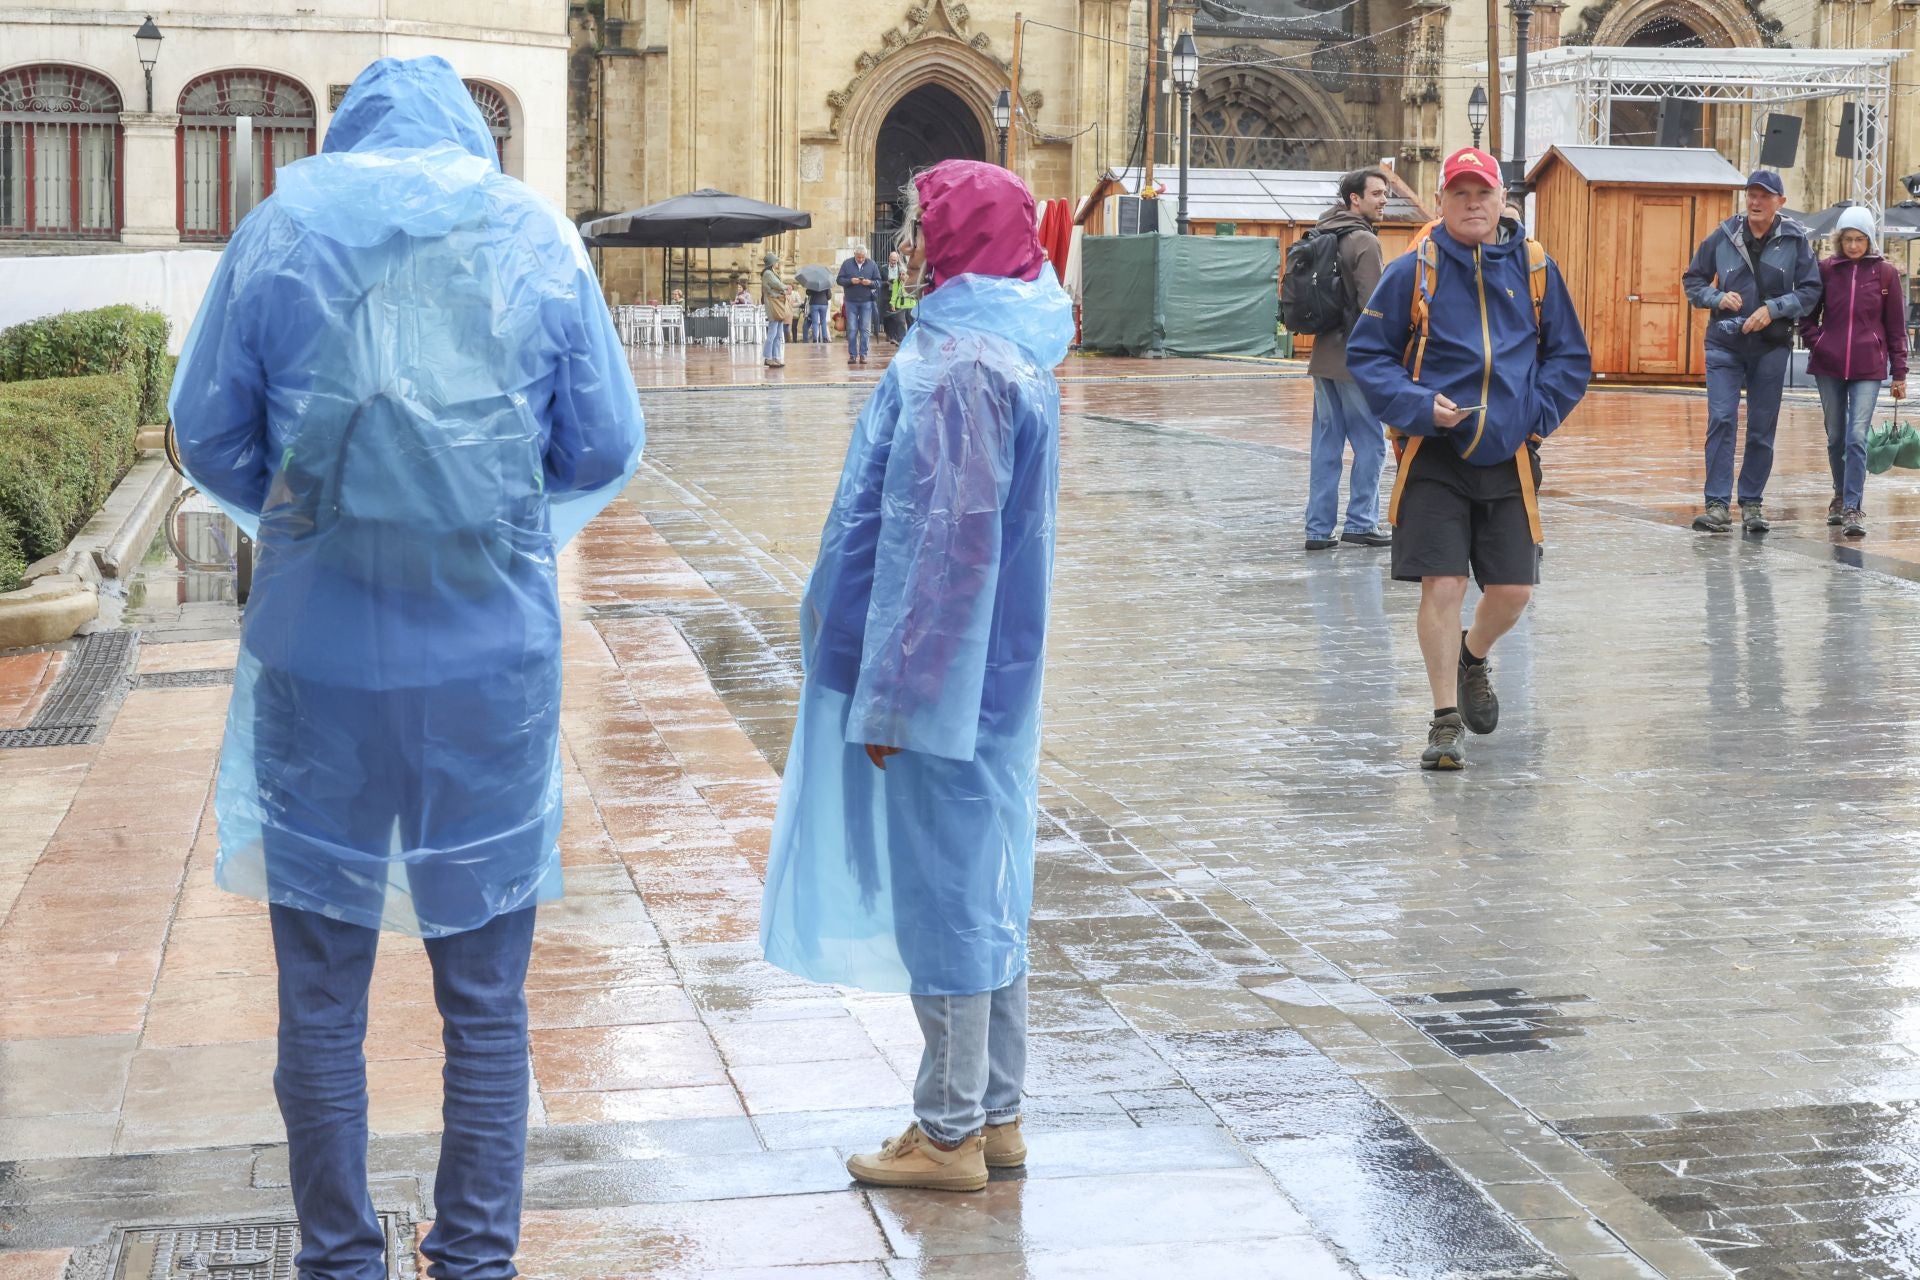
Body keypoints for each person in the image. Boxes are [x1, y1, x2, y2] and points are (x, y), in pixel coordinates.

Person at [170, 56, 644, 1279]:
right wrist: (493, 520)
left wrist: (305, 516)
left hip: (319, 662)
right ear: (468, 136)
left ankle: (339, 1253)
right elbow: (602, 440)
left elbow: (209, 431)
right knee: (484, 988)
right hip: (487, 665)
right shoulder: (531, 238)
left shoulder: (279, 232)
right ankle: (476, 1250)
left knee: (321, 986)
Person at [760, 158, 1075, 1192]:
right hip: (986, 675)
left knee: (948, 895)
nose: (906, 243)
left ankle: (946, 1132)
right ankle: (995, 1111)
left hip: (944, 681)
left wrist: (901, 695)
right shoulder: (1001, 346)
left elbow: (940, 551)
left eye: (916, 223)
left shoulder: (963, 367)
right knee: (987, 884)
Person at [1347, 147, 1590, 771]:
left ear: (1502, 199)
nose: (1473, 203)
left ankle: (1472, 655)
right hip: (1434, 453)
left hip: (1510, 456)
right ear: (1442, 200)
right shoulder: (1414, 269)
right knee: (1444, 582)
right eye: (1460, 193)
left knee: (1511, 593)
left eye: (1482, 192)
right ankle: (1443, 719)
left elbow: (1569, 358)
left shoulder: (1536, 268)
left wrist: (1533, 418)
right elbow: (1368, 355)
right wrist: (1421, 407)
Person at [1682, 170, 1821, 534]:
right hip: (1724, 344)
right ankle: (1715, 504)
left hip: (1770, 348)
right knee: (1722, 420)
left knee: (1761, 427)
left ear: (1780, 202)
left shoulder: (1795, 240)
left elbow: (1810, 291)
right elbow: (1693, 280)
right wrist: (1717, 296)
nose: (1756, 202)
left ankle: (1752, 503)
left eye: (1764, 196)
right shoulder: (1724, 235)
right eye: (1751, 195)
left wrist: (1772, 310)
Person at [1803, 207, 1909, 539]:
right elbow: (1806, 316)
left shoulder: (1886, 274)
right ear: (1839, 240)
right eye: (1847, 239)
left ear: (1869, 240)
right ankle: (1839, 494)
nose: (1852, 246)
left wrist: (1900, 373)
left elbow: (1896, 327)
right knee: (1836, 436)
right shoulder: (1825, 270)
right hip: (1829, 365)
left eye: (1859, 239)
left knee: (1857, 435)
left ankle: (1853, 507)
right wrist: (1818, 341)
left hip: (1868, 367)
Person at [1304, 167, 1394, 553]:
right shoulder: (1364, 241)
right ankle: (1361, 522)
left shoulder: (1321, 232)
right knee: (1371, 443)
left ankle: (1318, 530)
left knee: (1326, 444)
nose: (1384, 200)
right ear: (1354, 199)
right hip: (1356, 360)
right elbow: (1374, 306)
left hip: (1323, 357)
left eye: (1385, 193)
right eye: (1377, 194)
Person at [838, 244, 879, 363]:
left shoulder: (872, 264)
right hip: (851, 301)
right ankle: (852, 355)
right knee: (852, 329)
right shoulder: (847, 264)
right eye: (858, 257)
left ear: (865, 255)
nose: (860, 259)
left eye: (862, 257)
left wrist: (870, 283)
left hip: (867, 301)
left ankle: (863, 354)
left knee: (865, 329)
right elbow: (839, 280)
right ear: (854, 255)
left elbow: (878, 282)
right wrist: (850, 281)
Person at [761, 251, 790, 369]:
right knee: (772, 333)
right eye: (775, 261)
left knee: (778, 333)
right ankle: (768, 358)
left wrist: (783, 289)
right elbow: (776, 284)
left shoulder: (772, 271)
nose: (777, 263)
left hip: (777, 303)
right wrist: (785, 287)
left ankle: (776, 357)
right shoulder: (768, 273)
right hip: (773, 305)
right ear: (772, 262)